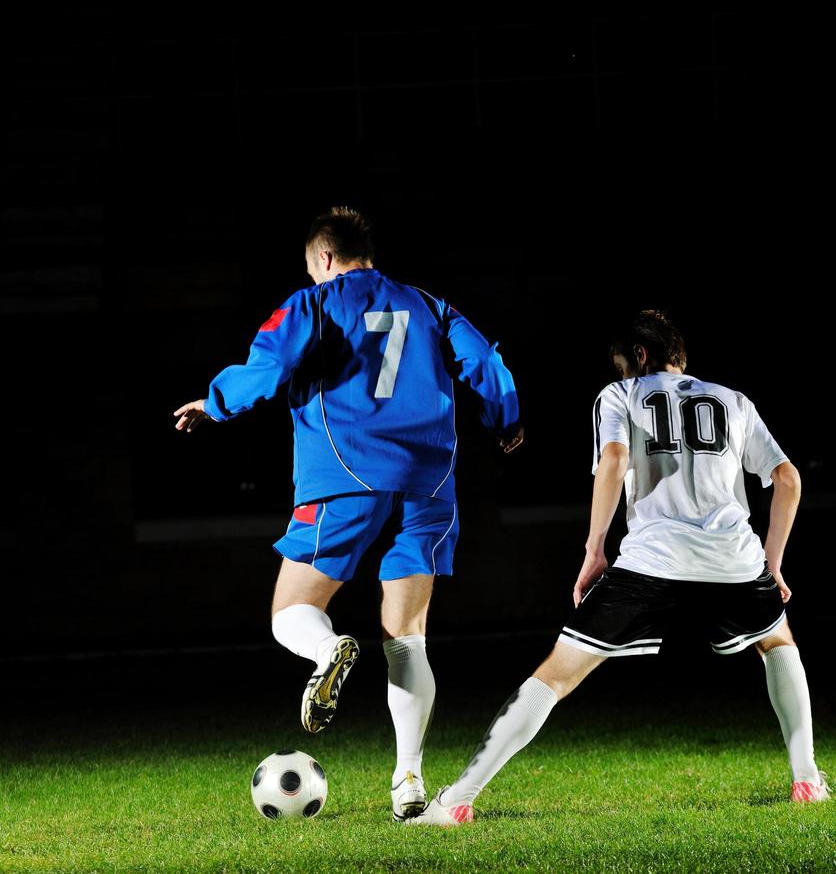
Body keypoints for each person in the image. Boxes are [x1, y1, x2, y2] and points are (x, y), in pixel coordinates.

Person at [409, 309, 828, 825]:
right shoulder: (733, 400)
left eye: (620, 365)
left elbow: (613, 461)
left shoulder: (620, 395)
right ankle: (807, 779)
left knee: (556, 675)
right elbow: (787, 479)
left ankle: (457, 802)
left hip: (651, 560)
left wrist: (594, 550)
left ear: (640, 356)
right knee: (778, 643)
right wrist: (773, 563)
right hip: (734, 560)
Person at [172, 206, 523, 820]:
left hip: (346, 475)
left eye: (314, 269)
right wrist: (508, 419)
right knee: (407, 639)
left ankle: (326, 649)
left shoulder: (312, 304)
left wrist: (216, 402)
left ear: (325, 259)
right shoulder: (428, 304)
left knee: (291, 612)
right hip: (429, 482)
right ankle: (408, 785)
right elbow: (486, 363)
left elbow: (272, 365)